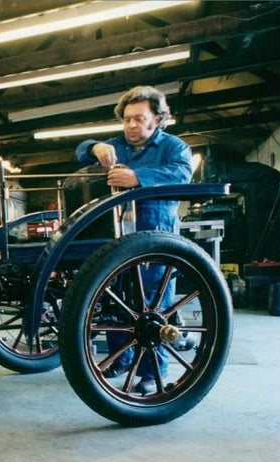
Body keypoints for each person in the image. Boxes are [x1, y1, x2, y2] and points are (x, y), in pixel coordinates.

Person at [75, 85, 192, 394]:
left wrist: (138, 178)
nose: (131, 126)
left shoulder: (173, 147)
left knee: (153, 306)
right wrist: (96, 147)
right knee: (116, 300)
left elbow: (182, 174)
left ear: (158, 118)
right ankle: (122, 359)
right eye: (127, 119)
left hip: (156, 240)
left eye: (139, 119)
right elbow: (80, 151)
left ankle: (153, 372)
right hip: (117, 238)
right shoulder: (118, 146)